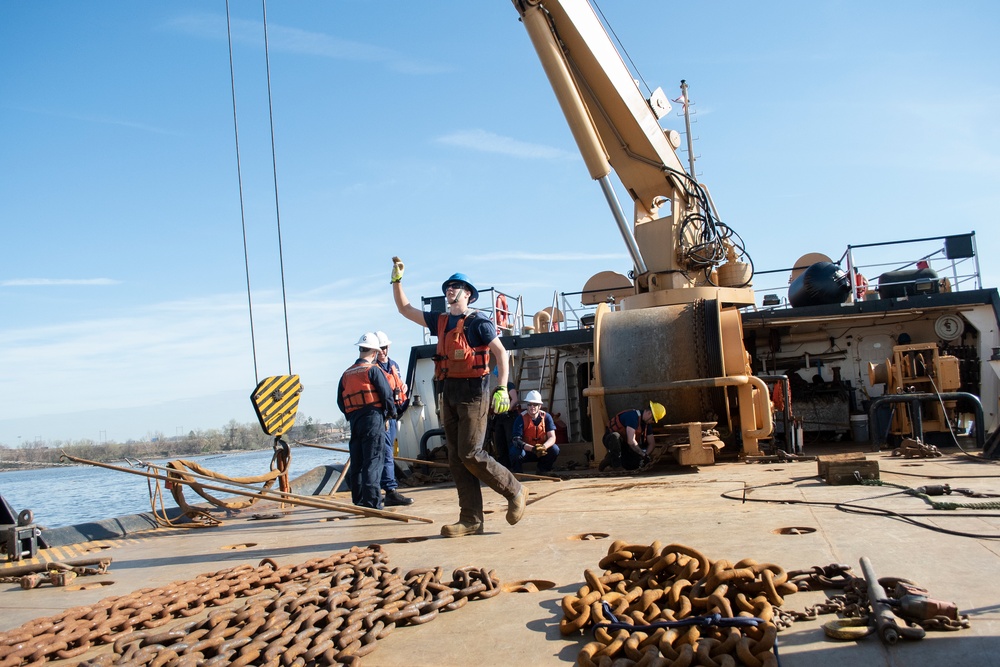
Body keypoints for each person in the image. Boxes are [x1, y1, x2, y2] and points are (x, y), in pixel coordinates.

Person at [391, 257, 526, 537]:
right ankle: (471, 519)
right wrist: (397, 281)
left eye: (456, 287)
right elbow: (405, 309)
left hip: (474, 392)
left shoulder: (479, 323)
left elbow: (501, 353)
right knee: (456, 458)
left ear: (467, 294)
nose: (450, 290)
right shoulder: (439, 321)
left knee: (470, 452)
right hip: (448, 392)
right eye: (448, 287)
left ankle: (515, 490)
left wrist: (502, 387)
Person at [336, 332, 397, 510]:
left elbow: (340, 401)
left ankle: (359, 499)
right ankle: (372, 502)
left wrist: (351, 415)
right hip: (373, 418)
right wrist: (390, 415)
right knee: (373, 459)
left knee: (358, 460)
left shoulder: (346, 374)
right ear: (374, 352)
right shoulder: (373, 370)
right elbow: (387, 396)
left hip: (355, 420)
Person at [374, 330, 413, 506]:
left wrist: (402, 388)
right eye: (379, 348)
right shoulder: (373, 368)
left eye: (384, 347)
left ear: (388, 347)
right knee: (384, 454)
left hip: (394, 414)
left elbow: (397, 384)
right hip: (382, 416)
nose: (382, 351)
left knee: (387, 453)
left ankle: (387, 489)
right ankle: (388, 490)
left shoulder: (394, 365)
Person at [600, 401, 665, 471]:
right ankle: (616, 465)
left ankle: (610, 460)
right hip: (611, 440)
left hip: (625, 445)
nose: (652, 422)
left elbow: (652, 443)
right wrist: (642, 454)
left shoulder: (646, 424)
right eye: (653, 420)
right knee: (615, 436)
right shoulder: (632, 417)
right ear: (649, 413)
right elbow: (631, 441)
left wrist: (645, 456)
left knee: (635, 464)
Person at [509, 390, 559, 474]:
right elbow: (516, 440)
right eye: (529, 404)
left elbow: (552, 437)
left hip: (542, 451)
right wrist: (532, 449)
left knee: (555, 449)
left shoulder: (547, 417)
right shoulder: (520, 418)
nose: (532, 407)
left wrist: (543, 447)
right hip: (526, 451)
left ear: (540, 406)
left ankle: (543, 470)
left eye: (535, 404)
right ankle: (518, 473)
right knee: (514, 451)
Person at [490, 381, 518, 469]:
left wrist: (507, 409)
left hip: (509, 417)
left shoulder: (509, 385)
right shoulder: (496, 388)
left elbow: (515, 399)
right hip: (499, 418)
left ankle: (514, 467)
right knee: (500, 443)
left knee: (510, 441)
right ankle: (504, 468)